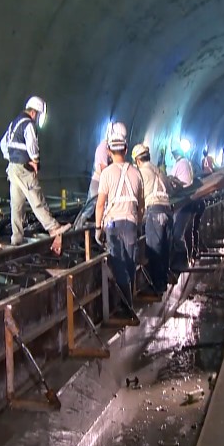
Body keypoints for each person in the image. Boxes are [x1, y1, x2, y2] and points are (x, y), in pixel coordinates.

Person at [0, 95, 71, 245]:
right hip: (24, 169)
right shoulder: (28, 124)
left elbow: (3, 144)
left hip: (12, 168)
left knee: (16, 205)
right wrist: (34, 161)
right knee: (36, 198)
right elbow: (32, 147)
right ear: (35, 112)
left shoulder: (14, 123)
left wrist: (12, 158)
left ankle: (16, 237)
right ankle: (53, 228)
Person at [95, 124, 143, 313]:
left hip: (113, 225)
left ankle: (126, 304)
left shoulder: (106, 173)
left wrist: (98, 228)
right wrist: (137, 224)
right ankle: (127, 300)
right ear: (126, 149)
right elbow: (141, 204)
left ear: (109, 151)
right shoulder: (136, 173)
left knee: (118, 262)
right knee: (130, 262)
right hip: (130, 223)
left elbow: (100, 204)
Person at [132, 143, 173, 295]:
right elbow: (168, 189)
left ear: (137, 160)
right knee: (165, 249)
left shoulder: (141, 173)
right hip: (168, 210)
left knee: (154, 250)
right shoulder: (159, 171)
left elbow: (138, 197)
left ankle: (157, 286)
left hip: (155, 211)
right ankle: (163, 280)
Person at [73, 124, 118, 230]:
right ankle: (78, 227)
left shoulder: (112, 147)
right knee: (91, 204)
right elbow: (104, 169)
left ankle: (105, 227)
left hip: (107, 181)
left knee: (107, 207)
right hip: (98, 181)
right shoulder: (102, 148)